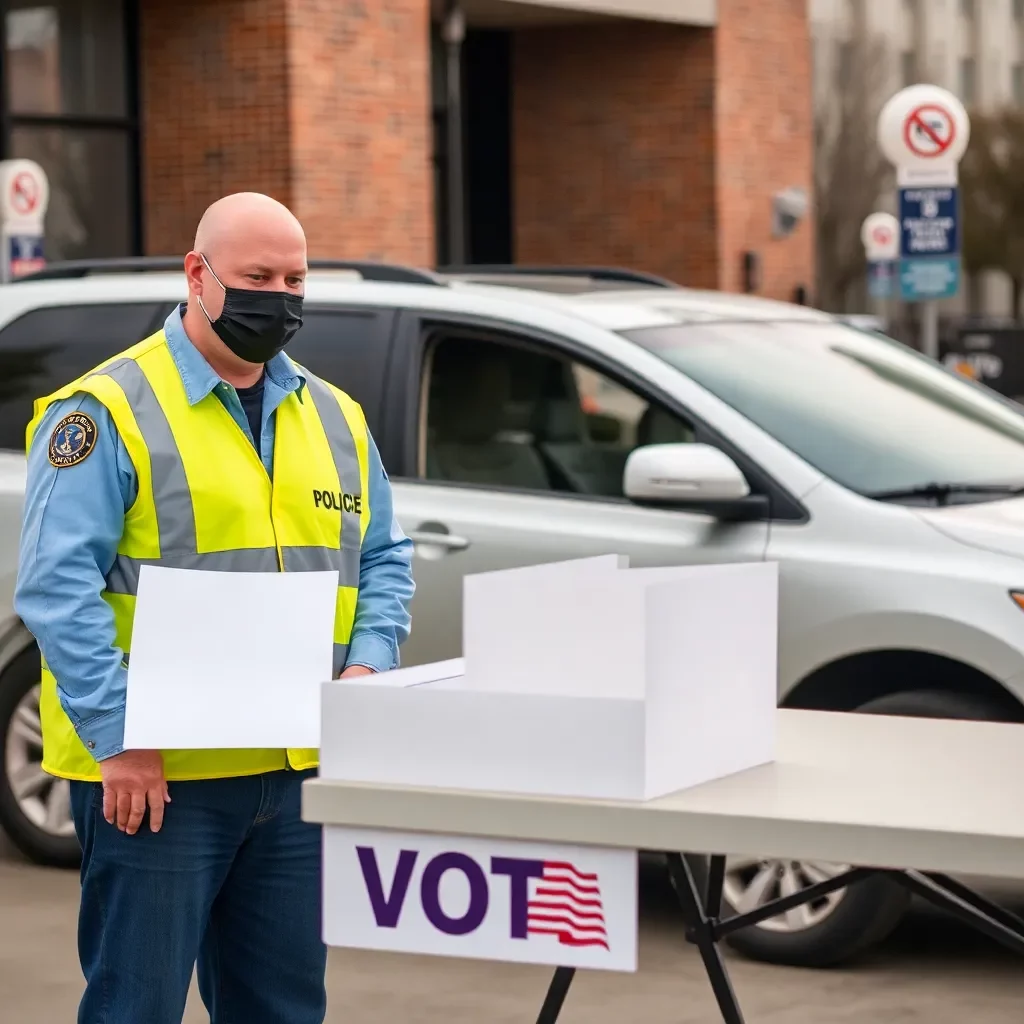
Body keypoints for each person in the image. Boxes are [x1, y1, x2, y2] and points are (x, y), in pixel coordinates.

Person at [14, 192, 415, 1024]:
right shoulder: (105, 411)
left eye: (295, 278)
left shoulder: (335, 416)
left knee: (283, 1009)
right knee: (138, 1006)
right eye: (257, 276)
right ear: (196, 274)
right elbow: (57, 589)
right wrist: (120, 741)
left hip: (296, 779)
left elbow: (384, 557)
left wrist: (370, 666)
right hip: (161, 783)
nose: (280, 296)